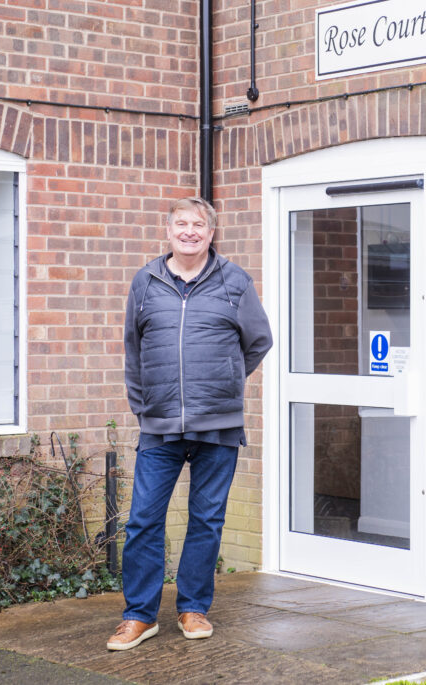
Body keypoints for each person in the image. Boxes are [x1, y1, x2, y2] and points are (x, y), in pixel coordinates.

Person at [107, 197, 272, 651]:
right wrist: (143, 405)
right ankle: (139, 616)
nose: (190, 231)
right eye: (181, 223)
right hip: (159, 423)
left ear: (211, 233)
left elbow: (258, 341)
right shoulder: (146, 281)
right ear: (169, 230)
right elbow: (132, 348)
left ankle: (193, 607)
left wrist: (225, 380)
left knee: (206, 519)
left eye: (199, 225)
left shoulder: (235, 281)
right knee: (143, 520)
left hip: (217, 423)